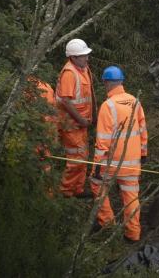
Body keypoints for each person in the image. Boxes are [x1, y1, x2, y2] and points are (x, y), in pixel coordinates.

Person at [89, 66, 148, 242]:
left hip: (112, 162)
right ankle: (133, 234)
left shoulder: (108, 106)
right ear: (121, 81)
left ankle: (107, 224)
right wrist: (143, 153)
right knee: (131, 196)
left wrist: (98, 166)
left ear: (106, 83)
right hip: (133, 162)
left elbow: (103, 140)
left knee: (96, 184)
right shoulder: (134, 101)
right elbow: (143, 129)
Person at [55, 38, 95, 197]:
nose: (87, 58)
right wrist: (80, 119)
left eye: (86, 54)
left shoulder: (83, 69)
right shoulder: (69, 73)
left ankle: (77, 190)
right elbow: (66, 101)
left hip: (81, 124)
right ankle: (66, 192)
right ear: (73, 57)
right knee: (76, 160)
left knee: (83, 158)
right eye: (83, 55)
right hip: (72, 125)